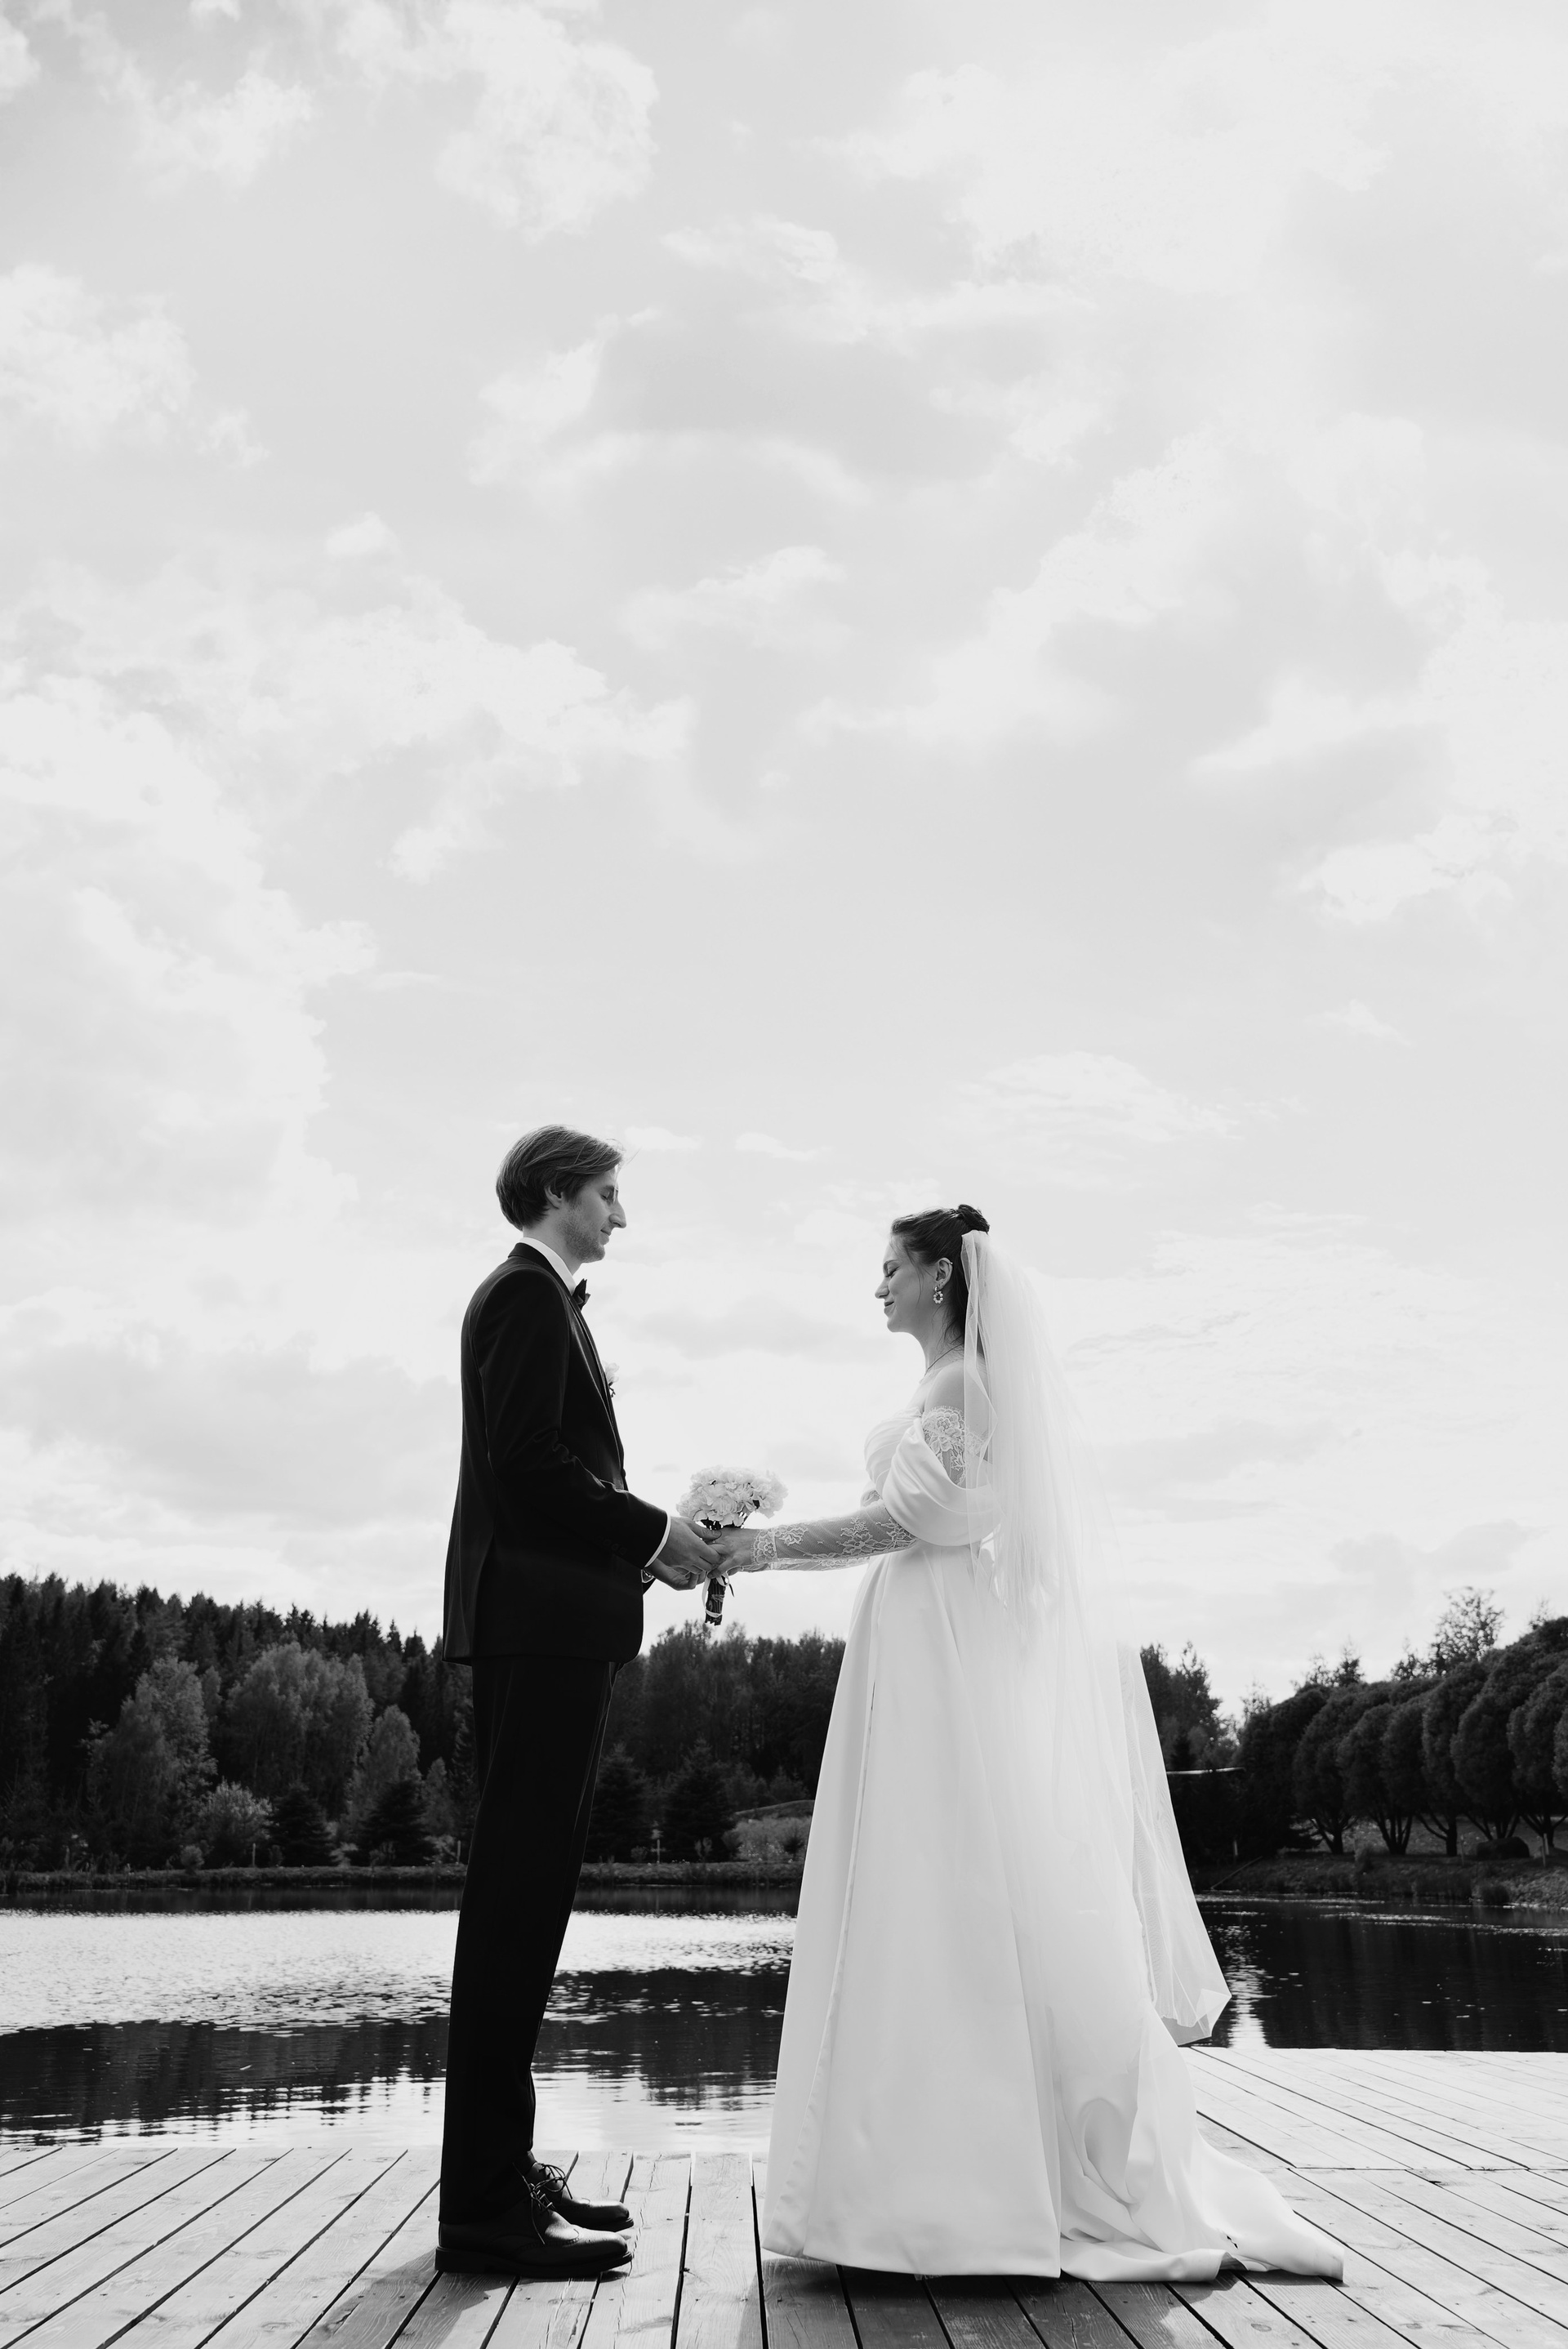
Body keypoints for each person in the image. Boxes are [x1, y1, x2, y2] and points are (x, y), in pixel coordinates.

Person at [709, 1206, 1343, 2281]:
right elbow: (901, 1515)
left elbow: (903, 1524)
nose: (878, 1286)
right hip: (918, 1628)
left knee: (943, 1872)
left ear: (941, 1277)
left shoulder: (964, 1385)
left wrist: (763, 1548)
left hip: (939, 1636)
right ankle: (900, 2173)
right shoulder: (945, 1383)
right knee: (918, 1875)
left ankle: (958, 2185)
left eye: (891, 1268)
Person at [437, 1125, 716, 2279]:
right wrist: (654, 1531)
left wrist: (643, 1556)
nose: (619, 1214)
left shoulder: (543, 1301)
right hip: (539, 1631)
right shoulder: (525, 1297)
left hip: (552, 1622)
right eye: (606, 1194)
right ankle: (483, 2210)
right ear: (557, 1192)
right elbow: (530, 1463)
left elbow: (551, 1477)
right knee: (516, 1902)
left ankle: (500, 2177)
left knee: (530, 1899)